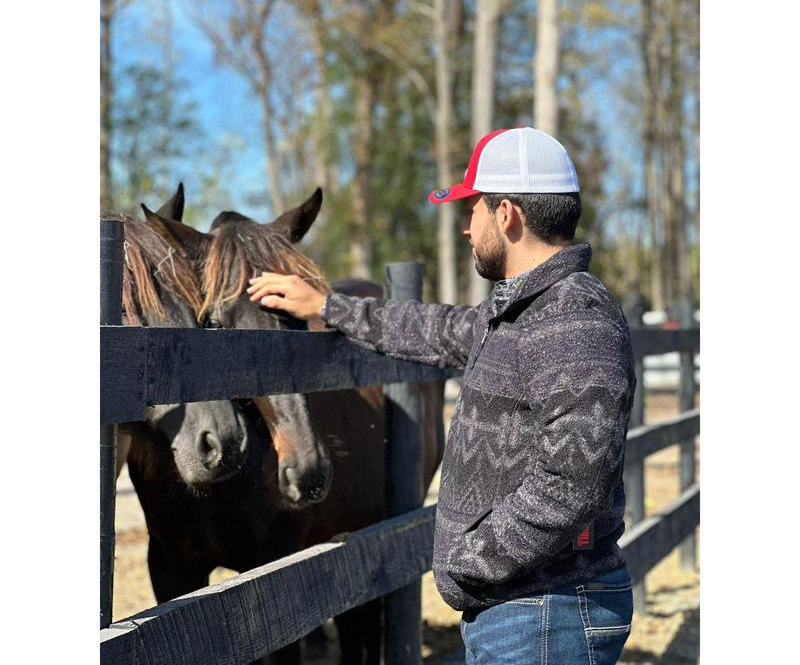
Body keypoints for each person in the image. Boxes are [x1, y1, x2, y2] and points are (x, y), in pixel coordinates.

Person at [248, 126, 636, 664]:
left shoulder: (573, 319)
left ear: (507, 216)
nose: (464, 228)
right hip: (527, 608)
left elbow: (574, 481)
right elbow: (436, 329)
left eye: (472, 210)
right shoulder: (525, 312)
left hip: (546, 612)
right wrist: (329, 306)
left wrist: (469, 561)